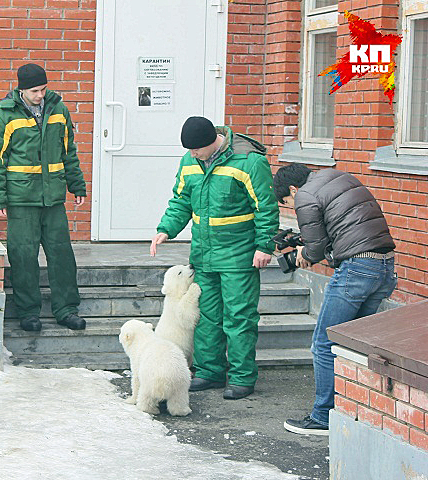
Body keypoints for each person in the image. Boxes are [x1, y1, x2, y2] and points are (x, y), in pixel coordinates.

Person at [150, 116, 279, 400]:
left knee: (239, 317)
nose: (192, 155)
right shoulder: (190, 162)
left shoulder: (249, 161)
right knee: (207, 317)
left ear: (212, 143)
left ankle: (242, 378)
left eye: (196, 150)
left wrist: (264, 246)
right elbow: (181, 200)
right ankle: (209, 372)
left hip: (239, 254)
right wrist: (165, 229)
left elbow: (266, 207)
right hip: (203, 254)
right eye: (190, 151)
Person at [273, 163, 397, 435]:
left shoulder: (306, 194)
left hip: (359, 270)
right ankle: (359, 407)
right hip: (384, 267)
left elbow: (316, 249)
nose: (291, 205)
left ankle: (323, 417)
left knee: (324, 343)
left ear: (293, 189)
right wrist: (308, 248)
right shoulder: (339, 178)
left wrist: (304, 254)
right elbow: (346, 238)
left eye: (286, 202)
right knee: (356, 343)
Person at [0, 63, 87, 332]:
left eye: (43, 89)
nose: (40, 95)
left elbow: (69, 151)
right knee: (23, 257)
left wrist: (77, 185)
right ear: (22, 89)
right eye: (34, 91)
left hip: (53, 199)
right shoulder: (4, 115)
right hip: (21, 199)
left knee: (62, 255)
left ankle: (66, 309)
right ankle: (29, 312)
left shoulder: (59, 110)